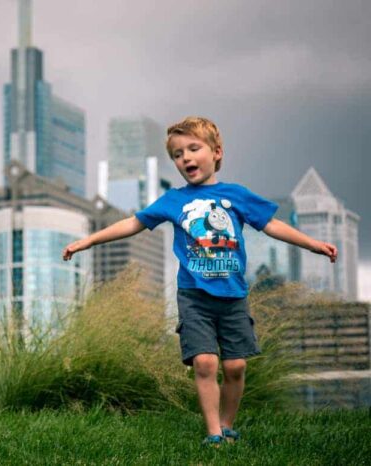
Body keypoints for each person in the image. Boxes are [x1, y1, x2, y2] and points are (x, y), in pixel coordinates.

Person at [62, 116, 337, 447]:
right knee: (205, 362)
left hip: (233, 297)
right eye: (178, 154)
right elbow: (133, 223)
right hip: (194, 296)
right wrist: (87, 241)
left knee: (235, 366)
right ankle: (214, 434)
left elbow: (272, 225)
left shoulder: (236, 195)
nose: (186, 158)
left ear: (217, 152)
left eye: (194, 149)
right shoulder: (173, 200)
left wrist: (315, 244)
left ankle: (227, 424)